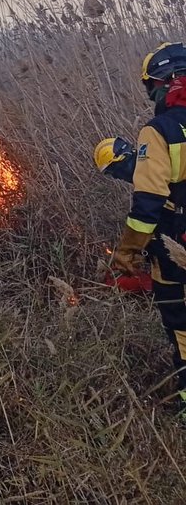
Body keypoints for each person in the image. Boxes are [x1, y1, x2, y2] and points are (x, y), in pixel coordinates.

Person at [110, 42, 186, 419]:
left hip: (179, 247)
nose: (151, 93)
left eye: (152, 85)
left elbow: (149, 201)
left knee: (181, 324)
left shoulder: (161, 131)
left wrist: (129, 250)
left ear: (167, 81)